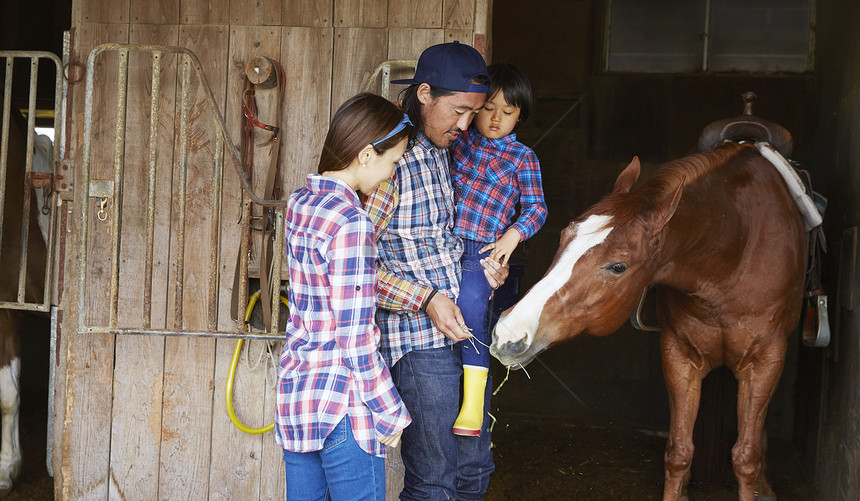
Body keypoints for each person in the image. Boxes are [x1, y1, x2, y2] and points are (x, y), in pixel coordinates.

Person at [364, 41, 508, 500]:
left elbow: (445, 241)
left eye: (476, 113)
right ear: (424, 93)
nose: (467, 125)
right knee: (435, 481)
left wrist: (484, 272)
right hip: (419, 343)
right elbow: (353, 267)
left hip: (463, 335)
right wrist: (426, 299)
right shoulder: (391, 161)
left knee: (474, 470)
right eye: (459, 111)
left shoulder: (447, 151)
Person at [275, 92, 413, 501]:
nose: (391, 175)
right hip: (343, 403)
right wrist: (390, 409)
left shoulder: (301, 204)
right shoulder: (351, 221)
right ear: (367, 155)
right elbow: (354, 336)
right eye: (392, 163)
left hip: (298, 393)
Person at [450, 63, 547, 436]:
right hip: (443, 244)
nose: (495, 119)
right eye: (488, 108)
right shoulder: (457, 141)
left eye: (507, 113)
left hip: (482, 251)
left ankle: (473, 405)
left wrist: (512, 236)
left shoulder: (523, 158)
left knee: (473, 309)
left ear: (520, 116)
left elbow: (537, 208)